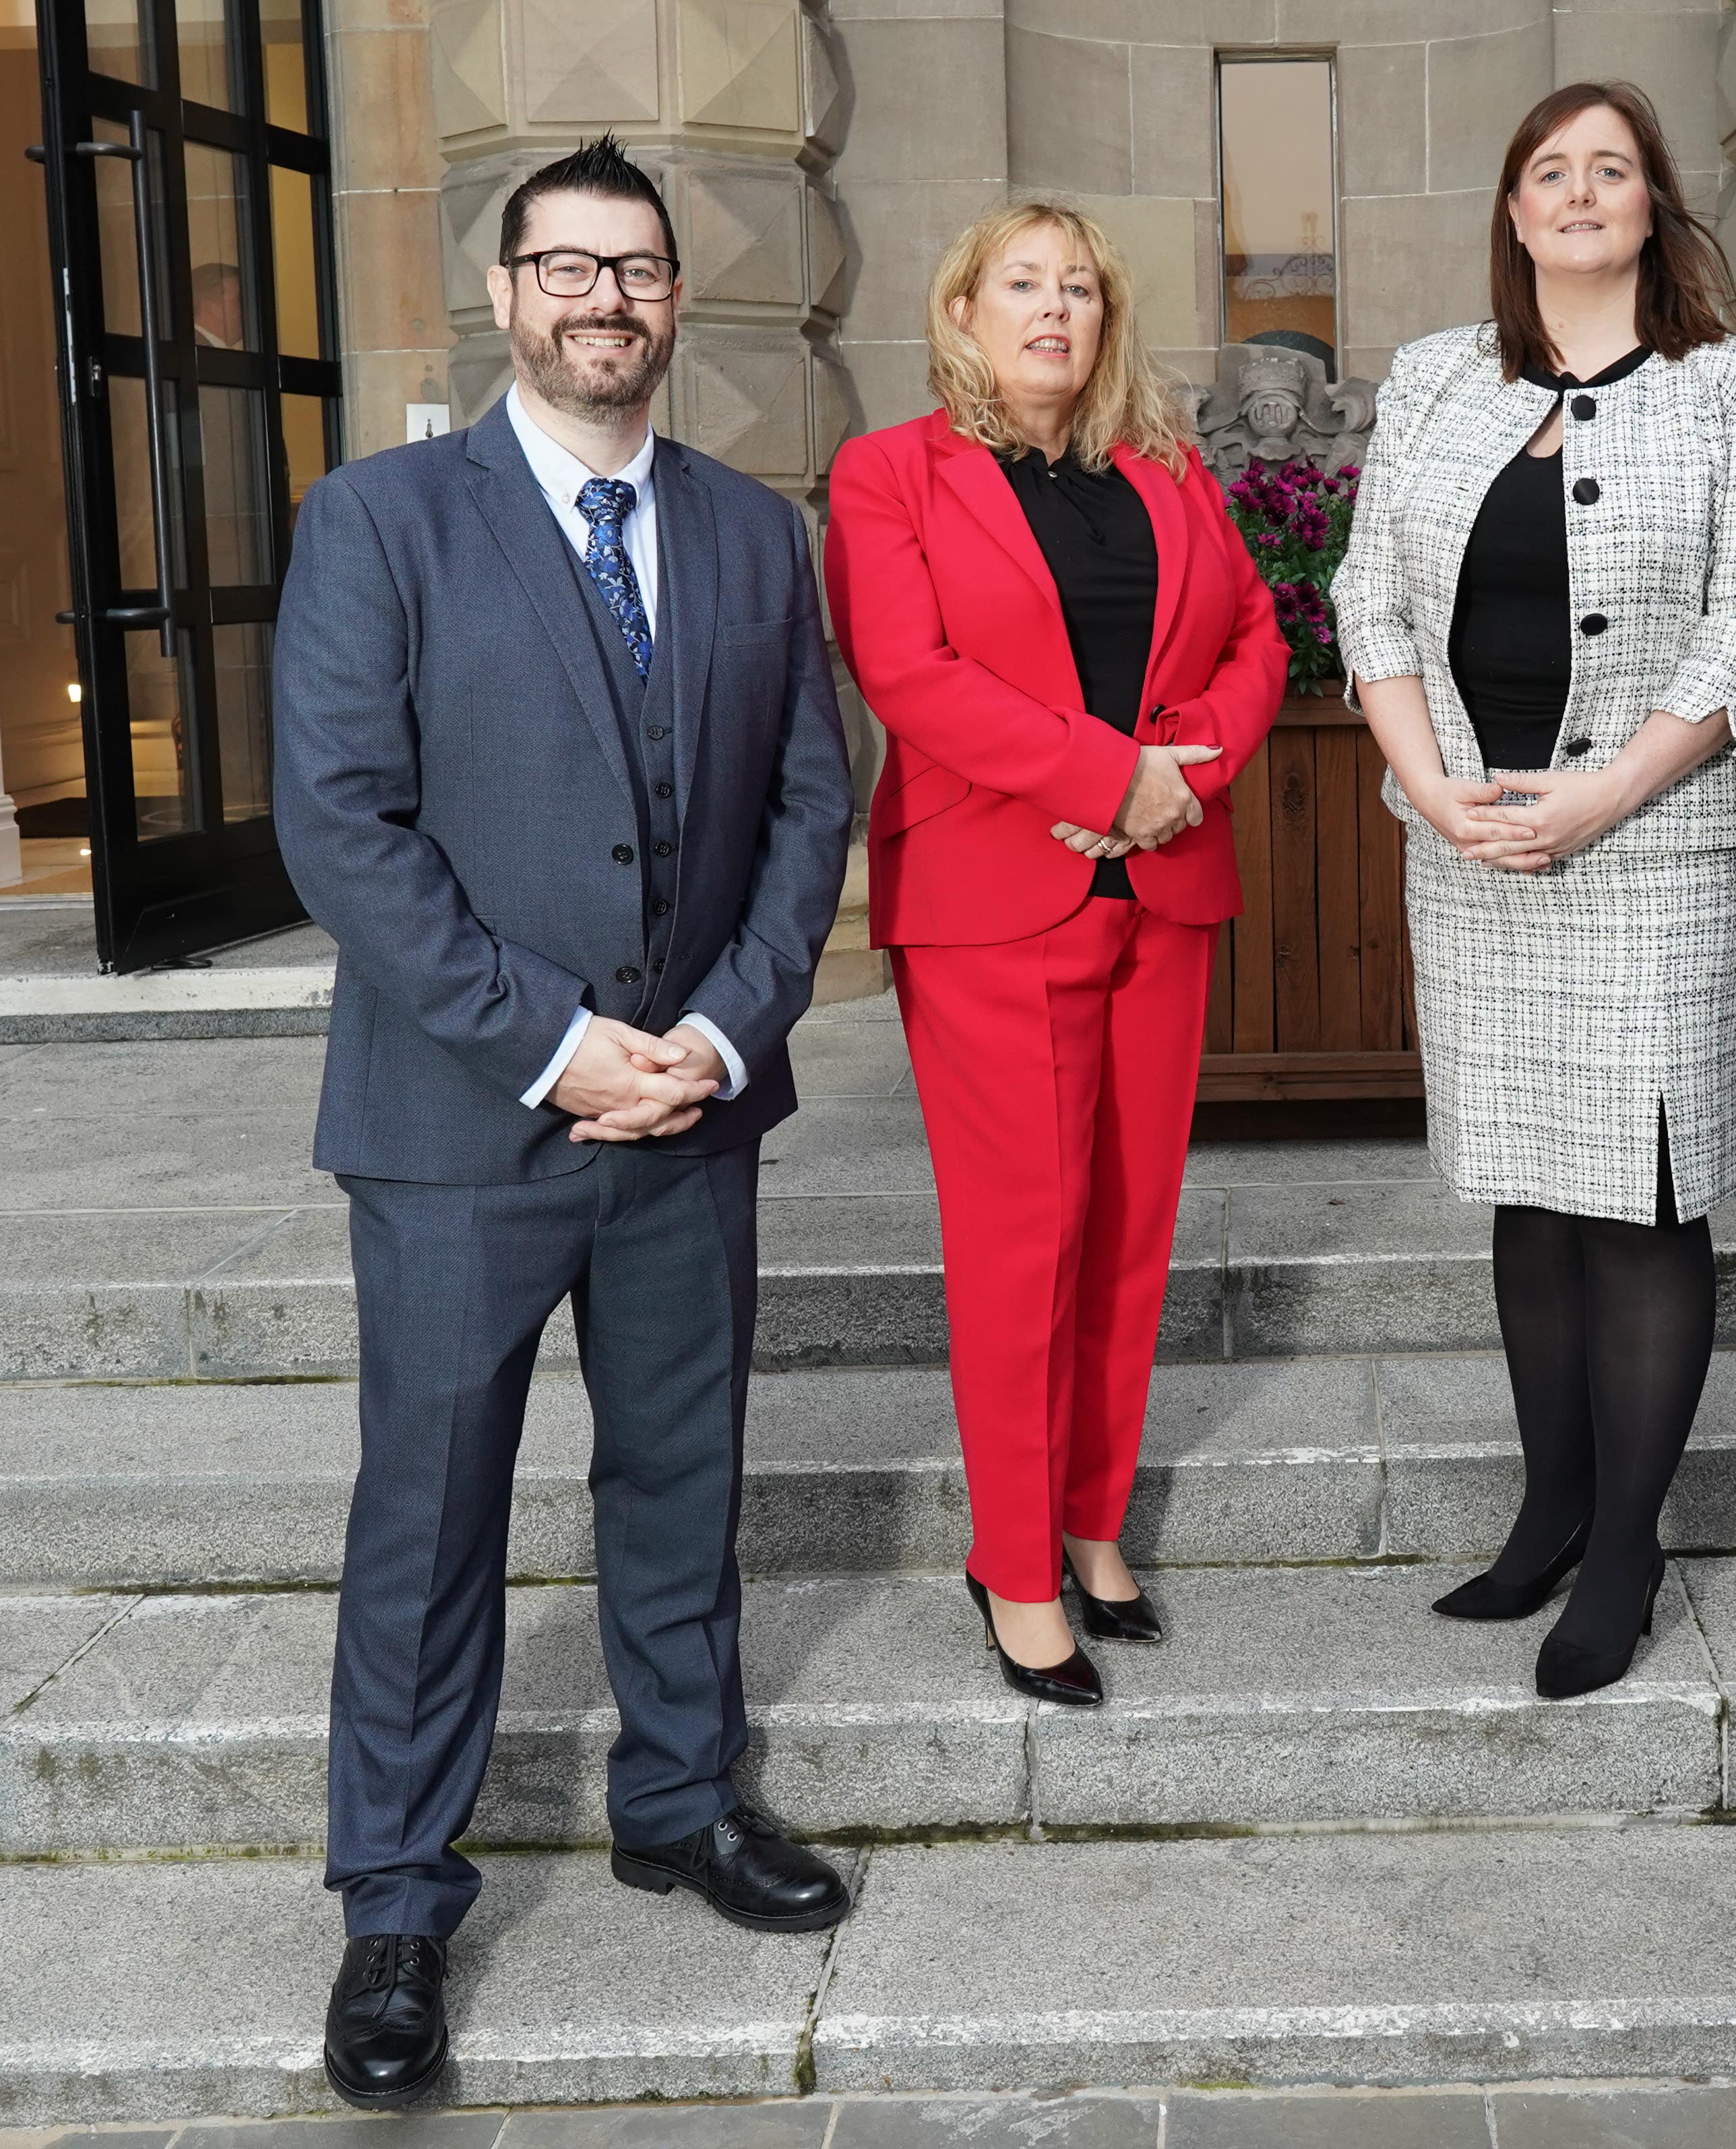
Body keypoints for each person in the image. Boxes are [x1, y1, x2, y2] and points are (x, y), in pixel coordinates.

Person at [272, 135, 858, 2104]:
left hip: (694, 1110)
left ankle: (681, 1799)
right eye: (567, 268)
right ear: (506, 293)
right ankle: (396, 1904)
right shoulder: (381, 523)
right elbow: (340, 824)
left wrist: (713, 1029)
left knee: (680, 1484)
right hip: (464, 1120)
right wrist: (555, 1043)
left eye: (639, 271)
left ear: (676, 301)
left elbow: (807, 810)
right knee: (428, 1522)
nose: (605, 300)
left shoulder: (759, 537)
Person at [1329, 81, 1736, 1702]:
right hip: (1473, 847)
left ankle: (1627, 1549)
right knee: (1530, 1188)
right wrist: (1435, 785)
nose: (1584, 190)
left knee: (1643, 1192)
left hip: (1660, 848)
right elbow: (1370, 594)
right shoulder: (1434, 380)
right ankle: (1549, 1507)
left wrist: (1604, 793)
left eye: (1615, 167)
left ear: (1654, 206)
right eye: (1555, 168)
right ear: (1517, 209)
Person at [823, 202, 1289, 1707]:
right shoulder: (891, 473)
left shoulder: (1168, 475)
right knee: (1024, 1241)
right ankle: (1013, 1563)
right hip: (986, 900)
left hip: (1158, 889)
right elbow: (908, 670)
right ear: (961, 310)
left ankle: (1095, 1523)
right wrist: (1107, 779)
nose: (1052, 309)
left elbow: (1259, 643)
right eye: (1021, 283)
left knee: (1130, 1230)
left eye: (1078, 286)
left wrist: (1179, 780)